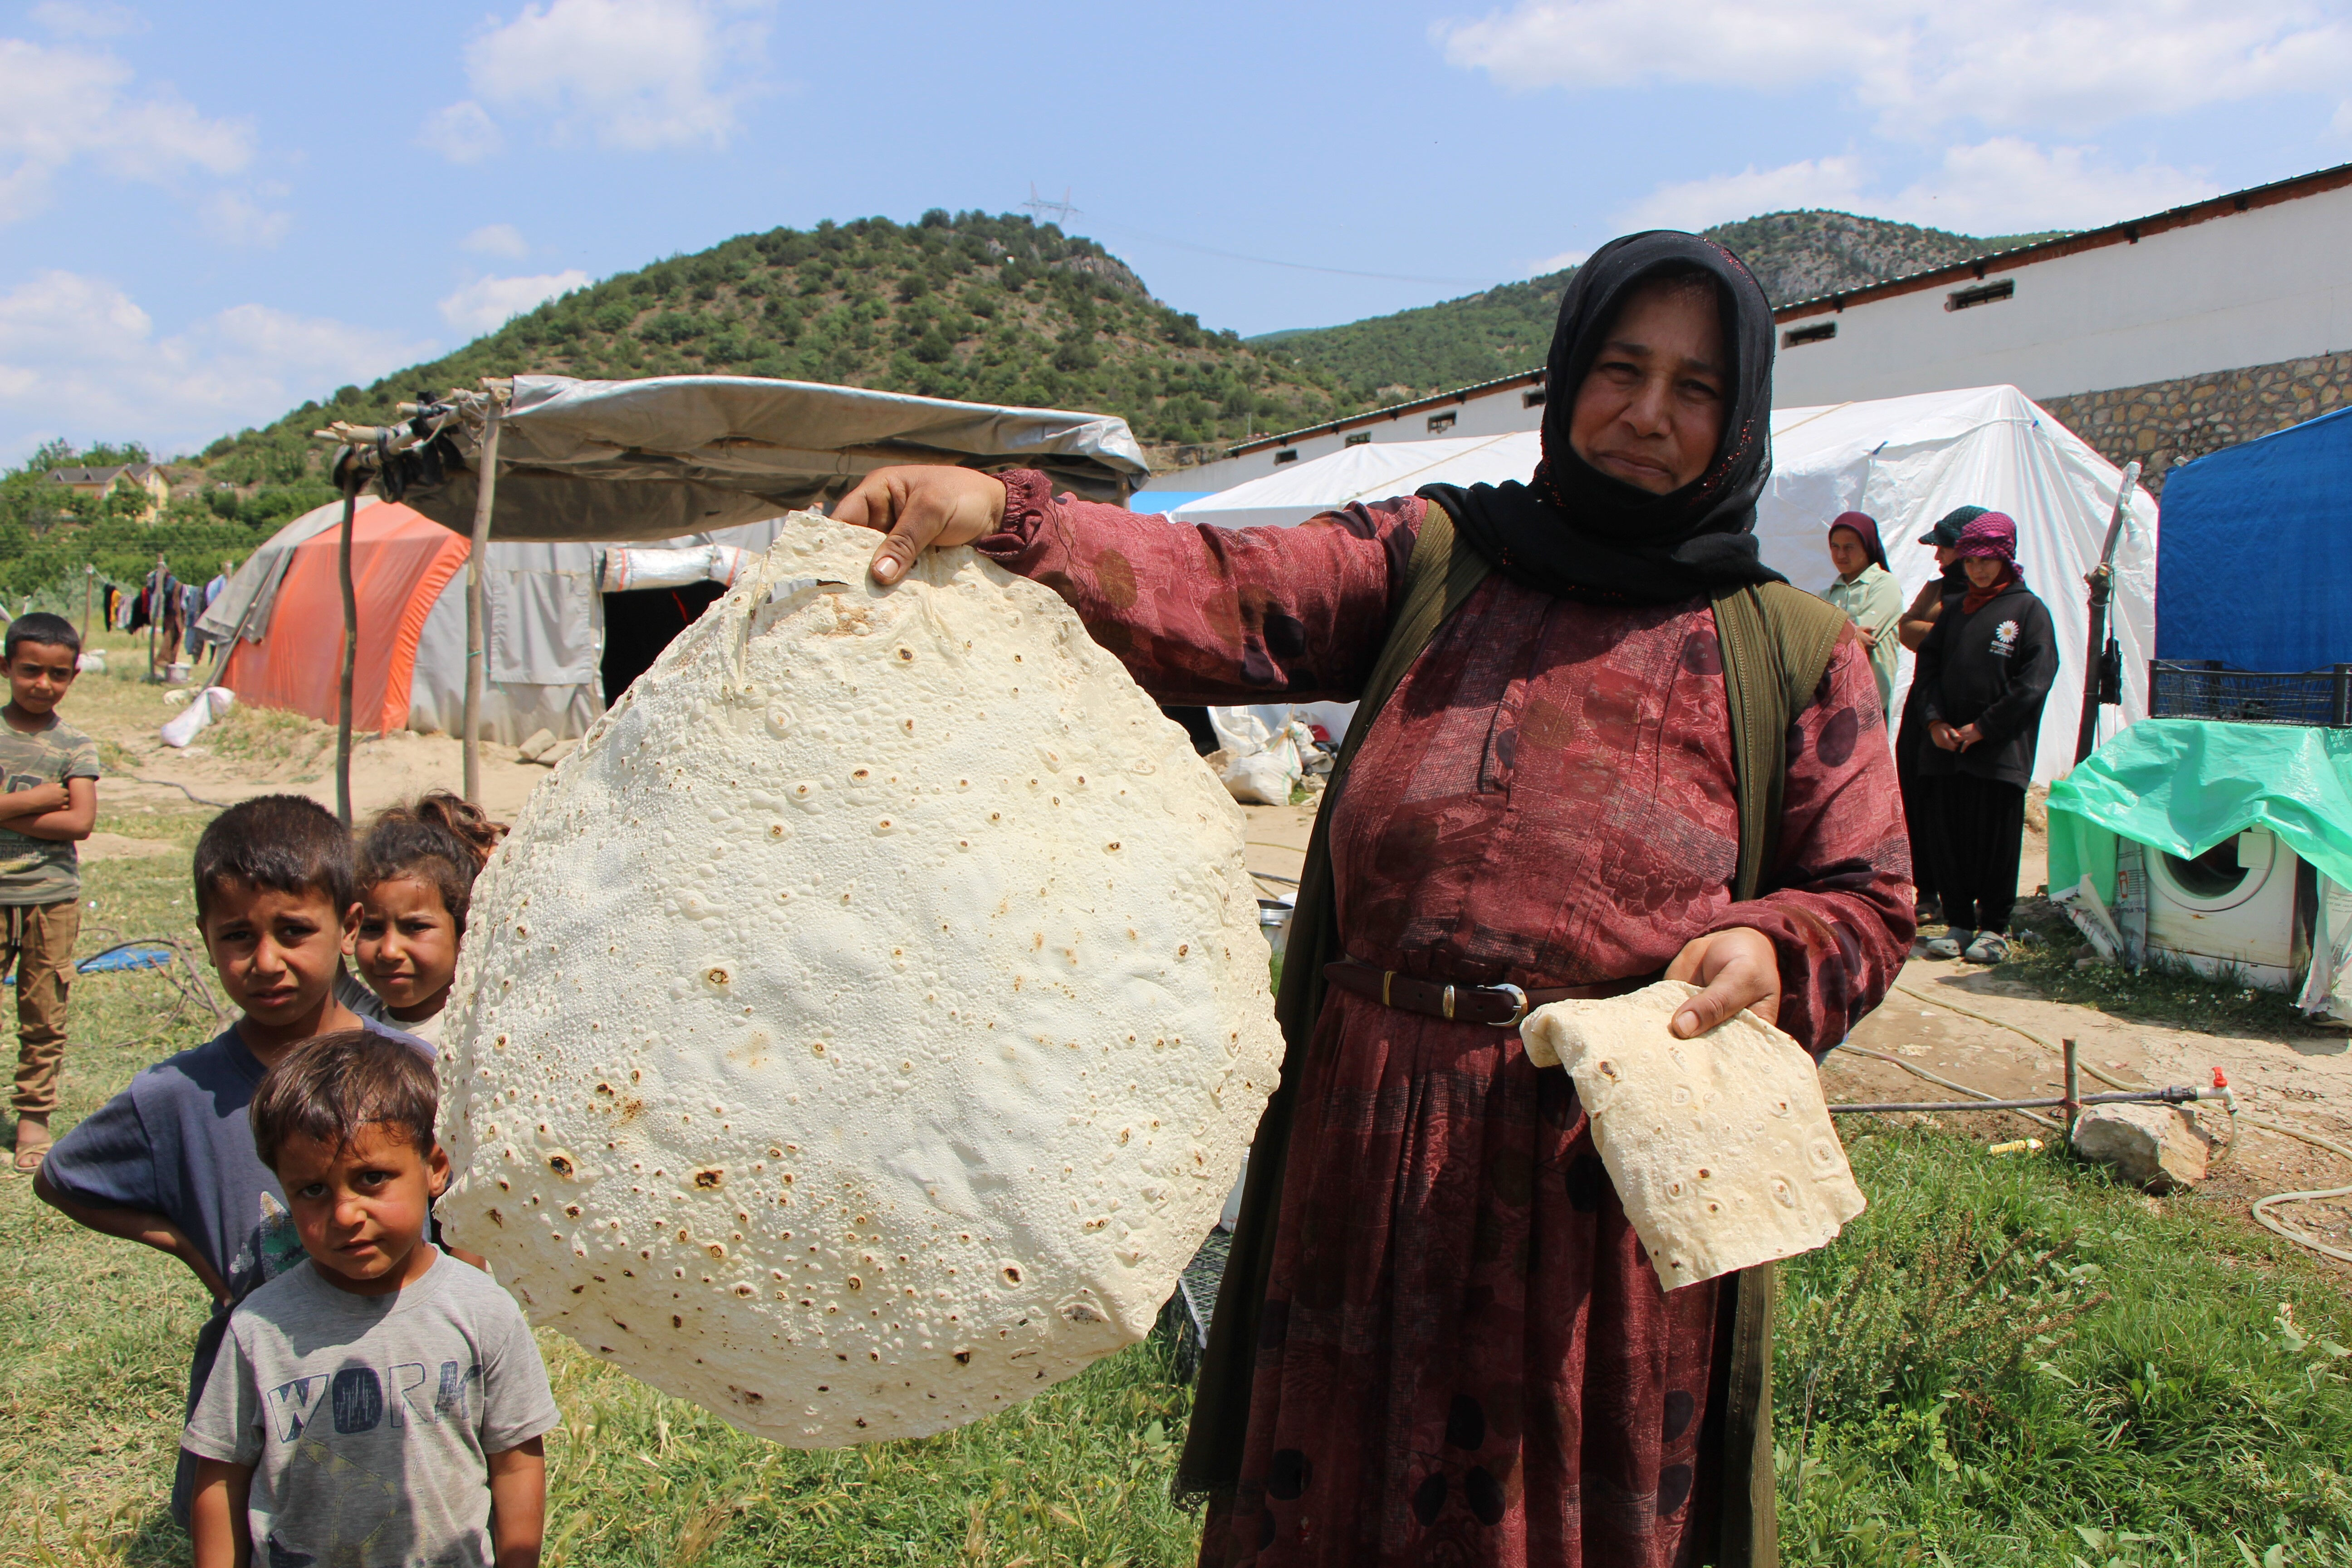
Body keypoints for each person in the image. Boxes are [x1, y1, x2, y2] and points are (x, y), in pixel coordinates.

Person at [838, 231, 1912, 1568]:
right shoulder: (1439, 559)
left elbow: (1868, 895)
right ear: (1567, 374)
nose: (1648, 412)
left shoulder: (1794, 648)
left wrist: (1773, 944)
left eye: (1695, 388)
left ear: (1740, 416)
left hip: (1601, 1178)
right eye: (1621, 369)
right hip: (1367, 1133)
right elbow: (1223, 587)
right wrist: (1010, 516)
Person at [34, 794, 432, 1526]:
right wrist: (196, 1250)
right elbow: (62, 1177)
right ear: (206, 939)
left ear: (347, 927)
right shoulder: (178, 1095)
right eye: (238, 937)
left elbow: (460, 1214)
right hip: (262, 1387)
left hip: (406, 1375)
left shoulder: (415, 1071)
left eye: (293, 931)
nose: (266, 961)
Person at [183, 1030, 555, 1568]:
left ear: (436, 1167)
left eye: (372, 1178)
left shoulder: (483, 1311)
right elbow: (221, 1475)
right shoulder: (260, 1328)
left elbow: (516, 1461)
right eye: (313, 1190)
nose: (344, 1214)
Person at [1913, 512, 2057, 964]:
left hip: (1998, 750)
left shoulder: (2028, 611)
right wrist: (1935, 723)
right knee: (1949, 836)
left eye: (1987, 561)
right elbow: (1927, 671)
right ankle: (1958, 923)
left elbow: (2034, 681)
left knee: (1996, 840)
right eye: (1971, 561)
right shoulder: (1956, 610)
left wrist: (1984, 728)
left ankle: (1994, 927)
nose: (1977, 570)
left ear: (2006, 559)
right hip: (1947, 748)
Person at [0, 612, 99, 1173]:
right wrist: (35, 801)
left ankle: (33, 1118)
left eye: (57, 674)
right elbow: (59, 811)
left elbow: (80, 821)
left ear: (73, 676)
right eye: (31, 670)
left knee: (44, 1013)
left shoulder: (75, 746)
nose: (43, 684)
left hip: (51, 898)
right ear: (6, 667)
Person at [353, 792, 506, 1048]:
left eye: (415, 927)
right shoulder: (352, 1018)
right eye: (371, 928)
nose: (389, 952)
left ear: (464, 928)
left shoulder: (477, 1032)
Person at [1891, 507, 1982, 928]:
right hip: (1926, 702)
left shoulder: (1994, 598)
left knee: (1964, 804)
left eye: (1944, 547)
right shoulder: (1936, 589)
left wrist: (1939, 631)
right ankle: (1926, 890)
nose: (1937, 556)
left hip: (1968, 709)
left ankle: (1967, 893)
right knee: (1918, 791)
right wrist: (1951, 631)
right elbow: (1906, 630)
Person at [1819, 510, 1902, 713]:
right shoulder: (1827, 594)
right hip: (1831, 704)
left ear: (1867, 546)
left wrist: (1830, 636)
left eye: (1849, 547)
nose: (1841, 555)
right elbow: (1811, 642)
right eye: (1835, 547)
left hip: (1869, 705)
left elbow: (1865, 638)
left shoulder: (1884, 584)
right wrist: (1850, 634)